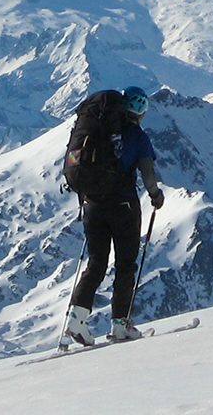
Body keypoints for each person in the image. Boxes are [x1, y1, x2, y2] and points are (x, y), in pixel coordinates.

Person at [62, 86, 165, 345]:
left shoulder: (98, 130)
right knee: (125, 265)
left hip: (92, 203)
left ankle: (76, 320)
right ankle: (120, 324)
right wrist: (155, 195)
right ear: (140, 111)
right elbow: (147, 173)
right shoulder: (138, 136)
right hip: (124, 206)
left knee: (96, 262)